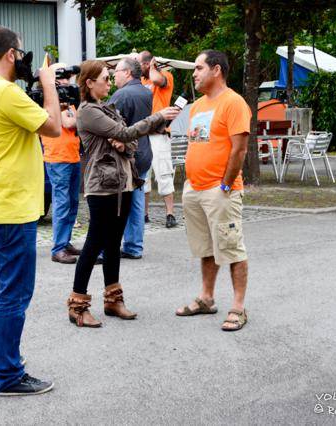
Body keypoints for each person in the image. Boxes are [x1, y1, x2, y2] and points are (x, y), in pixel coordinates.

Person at [0, 26, 61, 396]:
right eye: (20, 53)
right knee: (14, 293)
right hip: (9, 209)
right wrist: (48, 83)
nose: (23, 59)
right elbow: (52, 127)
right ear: (9, 54)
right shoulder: (5, 92)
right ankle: (8, 374)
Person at [67, 60, 180, 328]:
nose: (109, 82)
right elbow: (124, 133)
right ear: (89, 83)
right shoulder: (88, 111)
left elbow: (127, 141)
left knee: (114, 242)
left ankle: (113, 300)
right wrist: (158, 117)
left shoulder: (107, 108)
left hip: (124, 182)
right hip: (102, 186)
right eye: (105, 78)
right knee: (94, 243)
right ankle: (78, 305)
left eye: (110, 77)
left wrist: (125, 141)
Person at [175, 50, 251, 332]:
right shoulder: (197, 106)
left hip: (221, 191)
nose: (194, 73)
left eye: (198, 68)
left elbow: (239, 149)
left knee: (231, 247)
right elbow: (197, 144)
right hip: (195, 189)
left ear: (216, 70)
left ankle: (238, 308)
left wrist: (226, 186)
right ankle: (206, 298)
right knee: (206, 248)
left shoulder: (234, 103)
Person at [108, 57, 153, 260]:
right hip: (144, 152)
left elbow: (110, 125)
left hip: (127, 154)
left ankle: (115, 246)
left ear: (127, 73)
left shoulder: (121, 95)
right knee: (136, 201)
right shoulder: (146, 92)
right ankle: (134, 246)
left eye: (116, 71)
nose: (113, 75)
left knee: (118, 202)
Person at [42, 63, 82, 264]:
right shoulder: (52, 99)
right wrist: (80, 116)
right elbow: (69, 123)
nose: (67, 79)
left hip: (72, 156)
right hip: (58, 158)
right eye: (62, 75)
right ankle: (58, 248)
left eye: (68, 75)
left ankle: (65, 243)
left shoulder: (69, 98)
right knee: (62, 204)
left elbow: (76, 120)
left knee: (72, 203)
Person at [137, 50, 177, 228]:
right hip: (144, 134)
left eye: (140, 64)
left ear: (148, 63)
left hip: (159, 135)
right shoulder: (140, 81)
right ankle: (144, 214)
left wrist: (153, 66)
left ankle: (170, 213)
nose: (138, 68)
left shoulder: (164, 76)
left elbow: (155, 79)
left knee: (164, 174)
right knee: (143, 177)